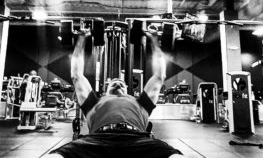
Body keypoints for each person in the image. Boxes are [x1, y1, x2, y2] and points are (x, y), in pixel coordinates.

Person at [48, 34, 182, 158]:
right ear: (105, 90)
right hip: (96, 141)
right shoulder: (94, 102)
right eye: (114, 82)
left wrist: (154, 40)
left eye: (121, 83)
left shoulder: (140, 102)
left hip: (138, 140)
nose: (118, 83)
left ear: (128, 89)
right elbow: (76, 76)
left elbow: (160, 76)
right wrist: (81, 40)